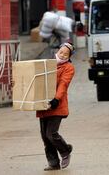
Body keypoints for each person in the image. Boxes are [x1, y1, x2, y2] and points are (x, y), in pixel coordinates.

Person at [37, 42, 75, 170]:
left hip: (57, 105)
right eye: (61, 52)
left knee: (51, 133)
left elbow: (63, 84)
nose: (63, 55)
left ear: (69, 56)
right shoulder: (47, 64)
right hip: (43, 105)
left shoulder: (69, 67)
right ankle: (53, 163)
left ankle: (65, 151)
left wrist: (56, 99)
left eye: (66, 54)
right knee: (45, 137)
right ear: (57, 52)